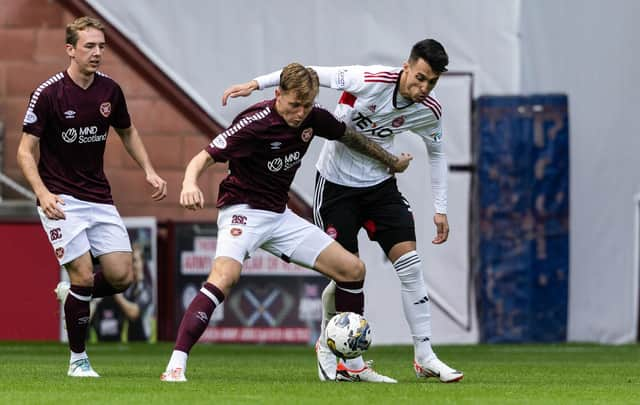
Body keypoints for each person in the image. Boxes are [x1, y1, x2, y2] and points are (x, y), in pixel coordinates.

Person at [222, 39, 463, 383]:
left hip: (380, 189)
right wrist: (256, 84)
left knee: (410, 265)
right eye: (419, 77)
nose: (422, 88)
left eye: (431, 83)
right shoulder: (369, 79)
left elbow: (437, 154)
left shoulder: (429, 110)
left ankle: (425, 357)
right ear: (406, 67)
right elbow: (307, 73)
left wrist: (440, 209)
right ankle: (342, 355)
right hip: (335, 188)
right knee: (349, 274)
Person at [160, 62, 411, 382]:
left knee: (353, 270)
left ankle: (351, 364)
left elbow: (349, 136)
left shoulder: (313, 117)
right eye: (294, 105)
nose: (300, 113)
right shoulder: (254, 123)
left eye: (307, 106)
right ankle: (176, 365)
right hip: (243, 211)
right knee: (224, 277)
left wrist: (391, 161)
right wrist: (189, 183)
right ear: (278, 95)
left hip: (279, 216)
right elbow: (204, 156)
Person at [16, 16, 167, 377]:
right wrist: (42, 193)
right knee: (84, 275)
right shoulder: (49, 93)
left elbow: (127, 132)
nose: (97, 52)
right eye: (89, 46)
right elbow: (25, 151)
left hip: (99, 197)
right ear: (70, 49)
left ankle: (72, 296)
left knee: (122, 276)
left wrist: (149, 169)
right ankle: (78, 360)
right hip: (61, 200)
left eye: (101, 46)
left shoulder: (110, 91)